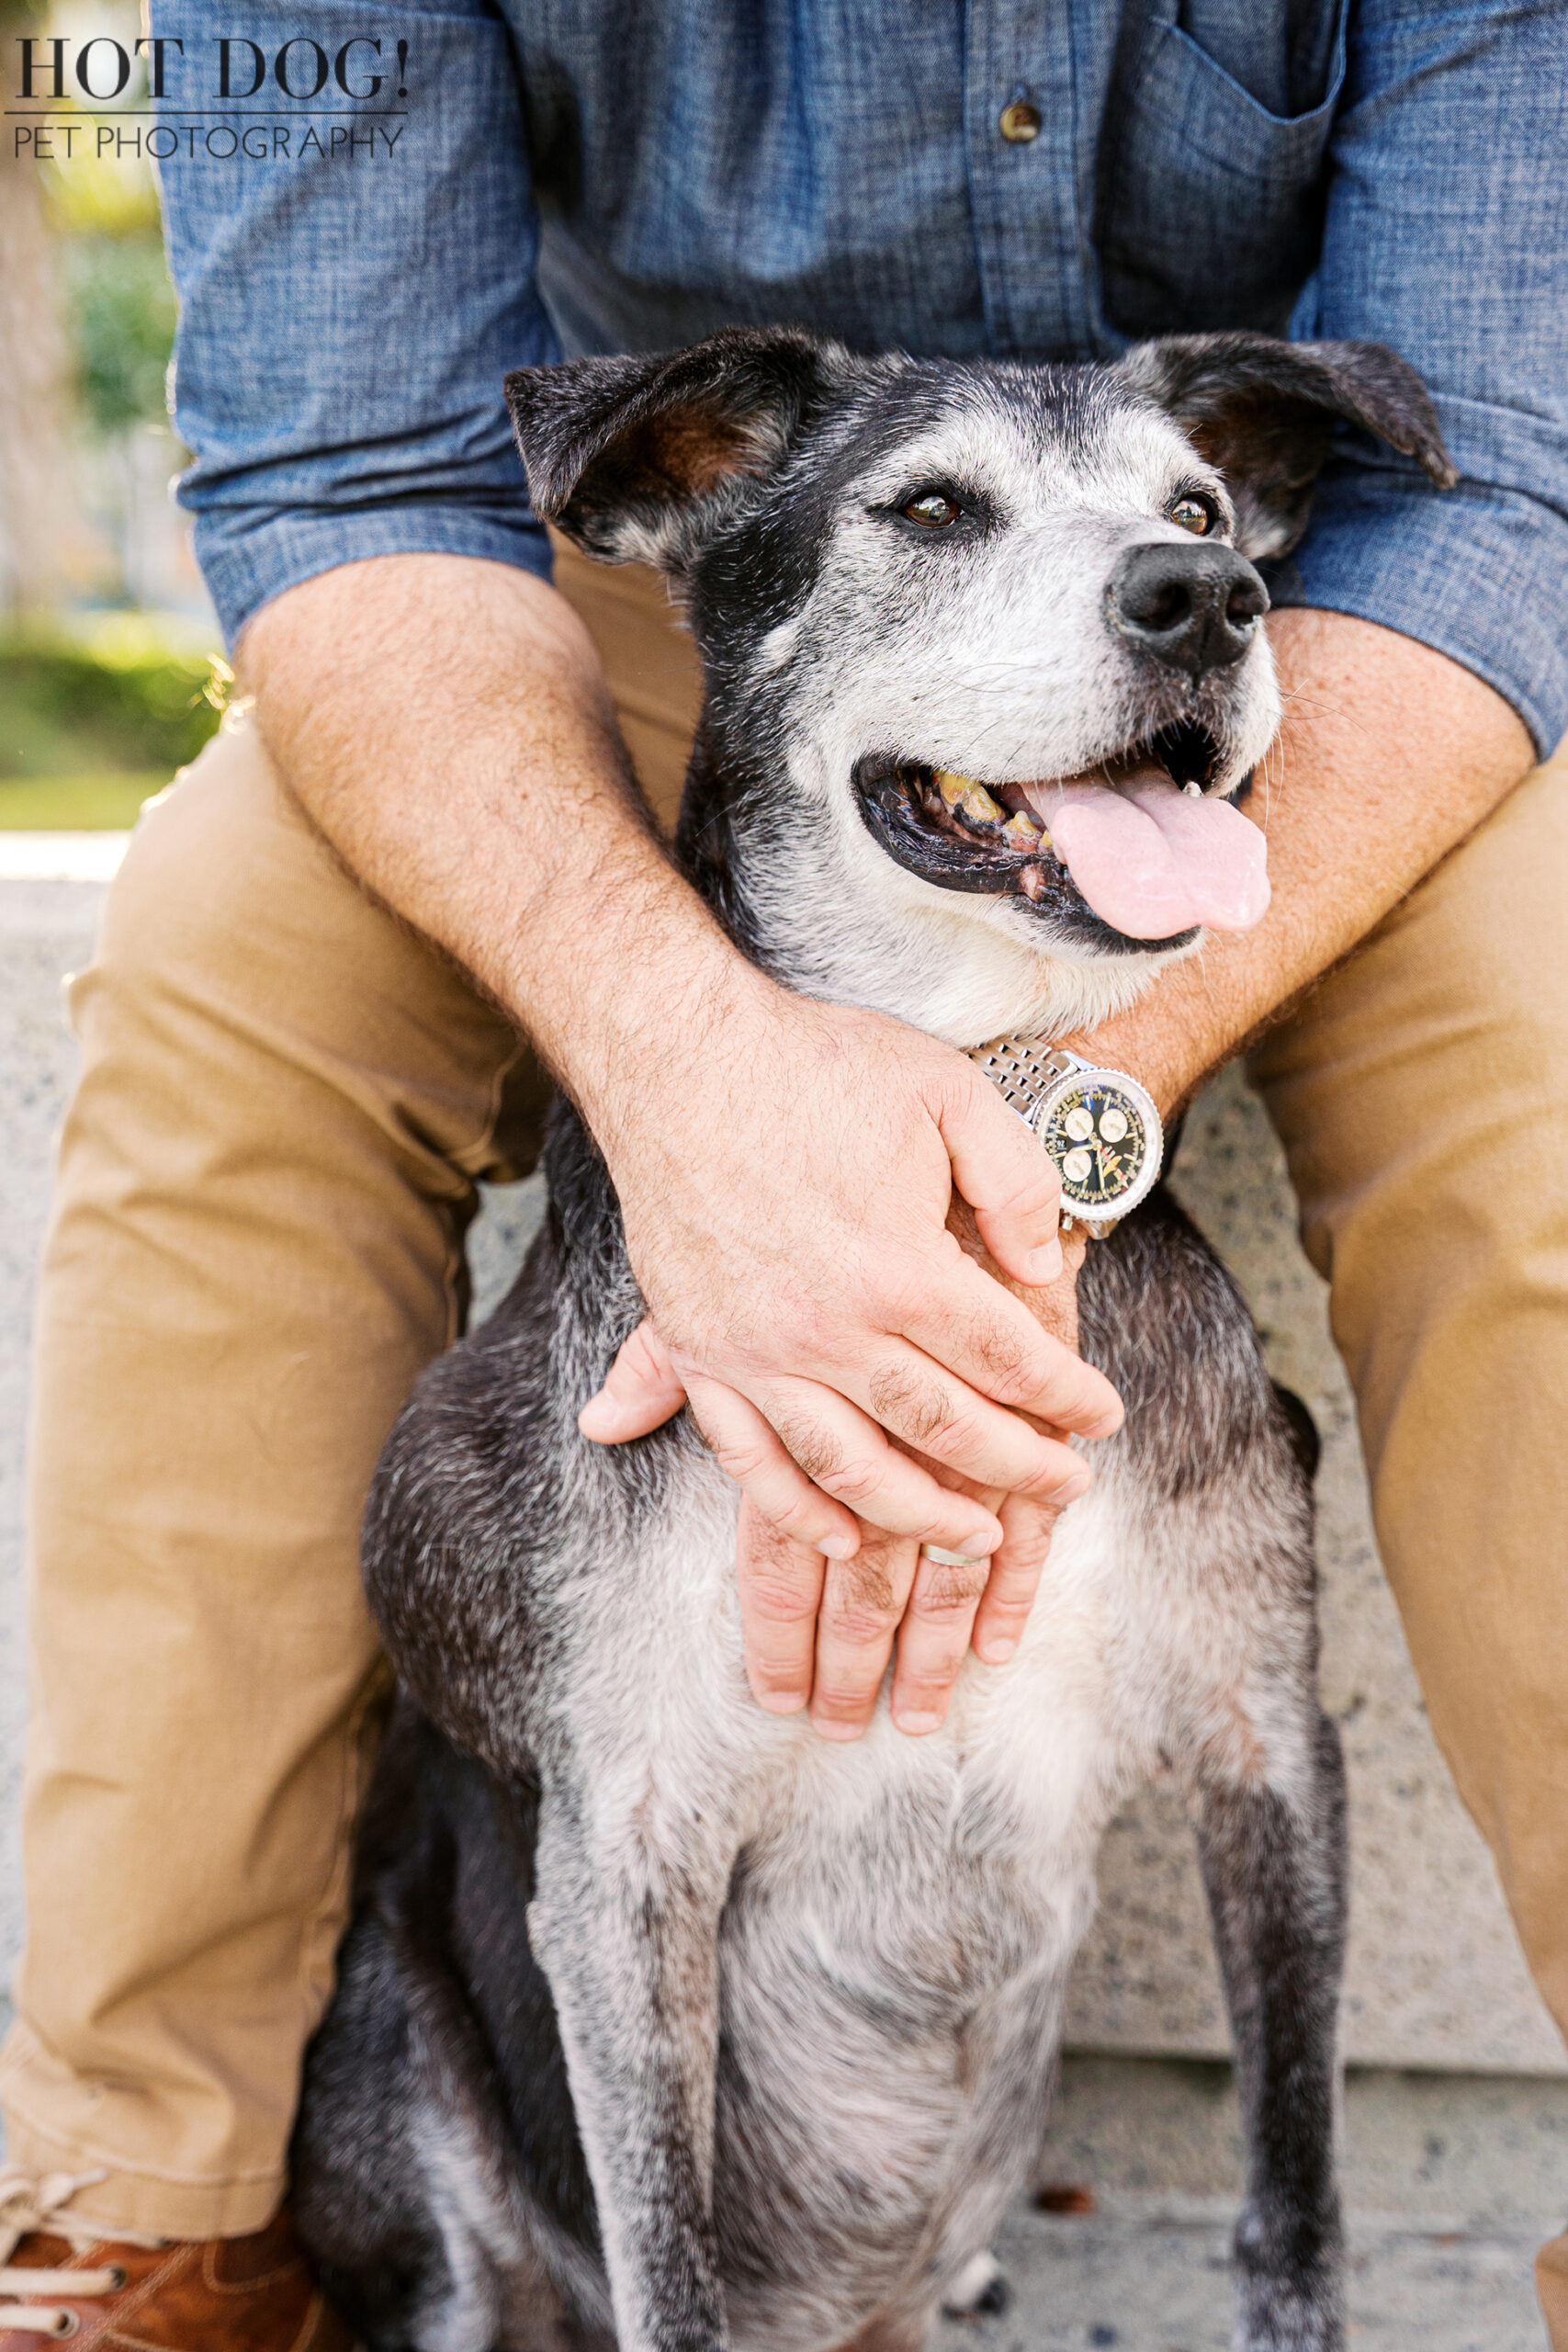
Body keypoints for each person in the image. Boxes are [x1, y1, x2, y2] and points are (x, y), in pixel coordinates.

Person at [2, 1, 1566, 2344]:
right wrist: (695, 1067)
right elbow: (344, 472)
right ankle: (152, 2196)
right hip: (693, 598)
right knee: (240, 956)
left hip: (1288, 612)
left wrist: (1060, 1086)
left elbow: (1496, 471)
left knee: (1535, 1061)